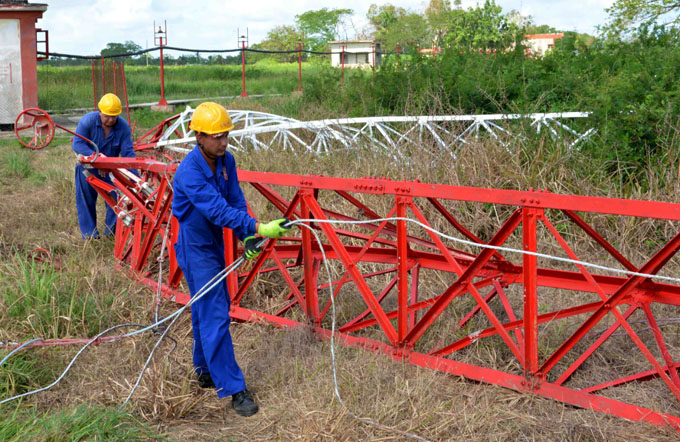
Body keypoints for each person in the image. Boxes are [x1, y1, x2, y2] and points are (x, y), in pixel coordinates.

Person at [172, 102, 291, 417]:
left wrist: (246, 235)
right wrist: (258, 226)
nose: (223, 142)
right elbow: (215, 208)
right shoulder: (189, 171)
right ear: (198, 136)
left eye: (225, 135)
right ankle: (235, 388)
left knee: (204, 308)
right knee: (216, 314)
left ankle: (204, 370)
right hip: (195, 245)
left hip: (213, 242)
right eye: (216, 137)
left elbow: (234, 199)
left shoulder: (227, 161)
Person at [72, 93, 136, 239]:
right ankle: (90, 236)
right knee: (86, 201)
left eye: (114, 116)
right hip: (87, 168)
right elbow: (77, 144)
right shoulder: (87, 121)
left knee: (117, 199)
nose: (111, 120)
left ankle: (110, 235)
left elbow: (128, 154)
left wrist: (134, 179)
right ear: (100, 111)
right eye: (107, 116)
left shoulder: (123, 127)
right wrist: (96, 157)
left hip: (110, 171)